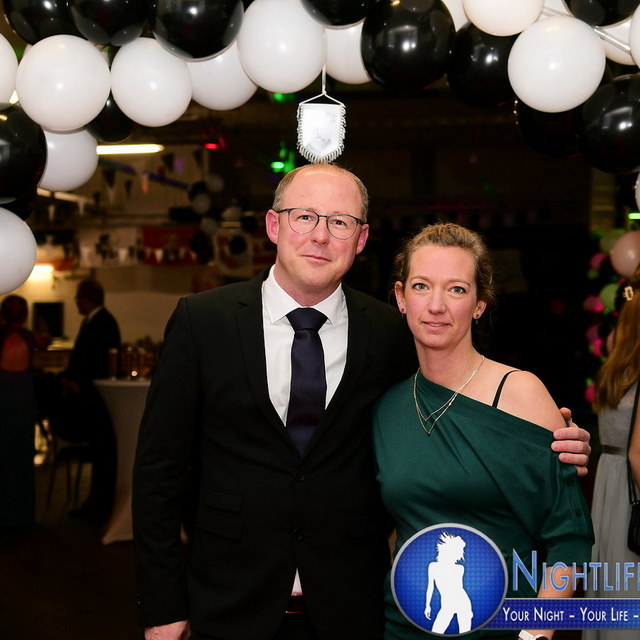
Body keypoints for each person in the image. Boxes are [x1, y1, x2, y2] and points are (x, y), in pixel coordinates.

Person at [132, 164, 591, 640]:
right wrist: (162, 607)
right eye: (305, 216)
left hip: (354, 609)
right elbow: (158, 474)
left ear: (361, 238)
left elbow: (460, 408)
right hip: (228, 604)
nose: (320, 236)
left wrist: (554, 443)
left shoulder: (390, 334)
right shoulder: (203, 322)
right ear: (273, 225)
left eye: (340, 222)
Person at [373, 222, 594, 640]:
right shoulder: (387, 408)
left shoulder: (520, 393)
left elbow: (570, 540)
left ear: (479, 305)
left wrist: (536, 635)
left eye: (456, 289)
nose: (436, 305)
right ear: (401, 298)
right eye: (421, 286)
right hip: (403, 630)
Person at [583, 268, 640, 640]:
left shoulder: (616, 373)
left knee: (615, 583)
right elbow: (639, 455)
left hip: (612, 484)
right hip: (634, 488)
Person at [59, 279, 121, 524]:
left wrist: (80, 384)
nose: (76, 302)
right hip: (90, 396)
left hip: (95, 399)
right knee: (98, 452)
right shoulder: (94, 321)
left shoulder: (103, 323)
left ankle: (100, 504)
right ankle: (96, 503)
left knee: (102, 452)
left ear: (87, 299)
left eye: (78, 298)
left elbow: (99, 363)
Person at [0, 295, 37, 541]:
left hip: (4, 394)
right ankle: (21, 515)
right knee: (22, 454)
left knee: (4, 454)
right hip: (22, 396)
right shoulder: (29, 337)